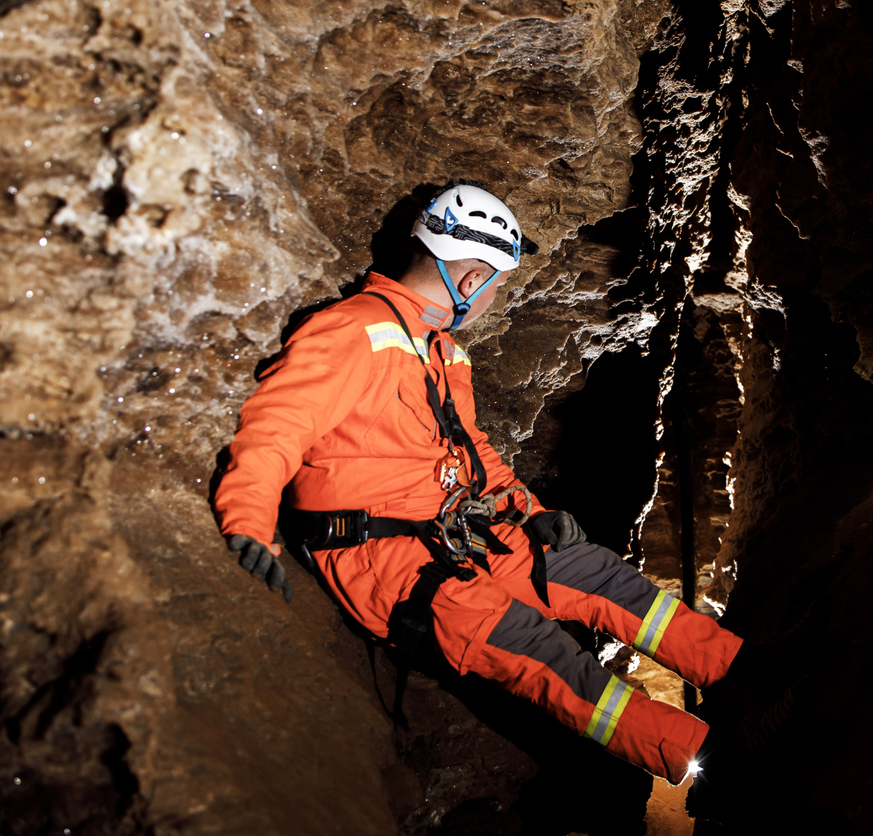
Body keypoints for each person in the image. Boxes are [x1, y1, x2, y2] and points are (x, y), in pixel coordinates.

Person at [212, 179, 744, 786]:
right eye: (497, 284)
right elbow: (274, 428)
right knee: (543, 653)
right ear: (470, 280)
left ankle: (744, 677)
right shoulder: (350, 332)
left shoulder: (442, 351)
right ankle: (718, 767)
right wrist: (249, 523)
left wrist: (531, 510)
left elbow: (473, 453)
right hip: (384, 559)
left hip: (465, 530)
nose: (493, 297)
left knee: (600, 575)